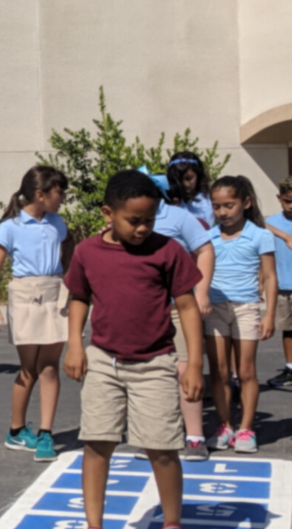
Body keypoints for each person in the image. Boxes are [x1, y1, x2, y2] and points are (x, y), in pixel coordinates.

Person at [64, 170, 204, 529]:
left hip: (156, 363)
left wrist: (193, 364)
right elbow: (79, 297)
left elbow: (187, 307)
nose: (143, 228)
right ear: (108, 214)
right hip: (102, 361)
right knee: (97, 443)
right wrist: (74, 346)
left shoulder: (167, 250)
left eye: (150, 220)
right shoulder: (87, 252)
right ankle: (94, 523)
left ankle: (172, 521)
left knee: (162, 448)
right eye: (134, 220)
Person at [0, 165, 70, 462]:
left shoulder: (57, 223)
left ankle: (46, 433)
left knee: (49, 367)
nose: (62, 198)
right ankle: (17, 430)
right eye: (59, 192)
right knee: (29, 369)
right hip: (24, 296)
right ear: (40, 194)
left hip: (55, 293)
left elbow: (68, 258)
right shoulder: (10, 227)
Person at [202, 175, 278, 454]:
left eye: (229, 205)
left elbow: (270, 277)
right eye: (217, 206)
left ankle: (246, 429)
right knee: (219, 372)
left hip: (246, 309)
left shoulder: (261, 234)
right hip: (215, 309)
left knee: (246, 372)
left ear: (245, 203)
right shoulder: (208, 237)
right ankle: (225, 426)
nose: (223, 212)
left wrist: (268, 314)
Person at [148, 169, 217, 460]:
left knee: (186, 369)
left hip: (179, 306)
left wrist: (201, 291)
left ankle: (194, 436)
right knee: (150, 374)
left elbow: (205, 249)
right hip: (146, 310)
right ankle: (157, 435)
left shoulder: (179, 217)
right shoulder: (129, 218)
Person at [265, 176, 292, 390]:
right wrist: (283, 235)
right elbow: (256, 222)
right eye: (287, 201)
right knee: (287, 329)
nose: (291, 206)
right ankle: (290, 367)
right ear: (279, 198)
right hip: (283, 285)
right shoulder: (272, 222)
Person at [168, 150, 215, 228]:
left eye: (189, 178)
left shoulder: (208, 202)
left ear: (198, 175)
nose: (185, 184)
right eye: (179, 180)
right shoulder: (168, 202)